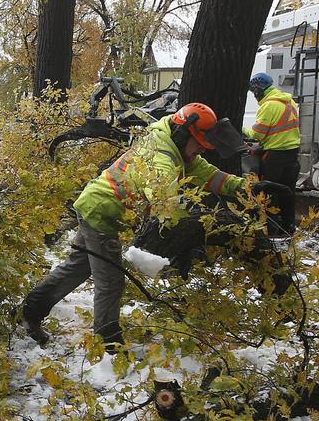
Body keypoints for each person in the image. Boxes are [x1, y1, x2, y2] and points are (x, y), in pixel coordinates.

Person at [18, 102, 287, 350]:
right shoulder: (160, 156)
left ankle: (28, 313)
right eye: (199, 145)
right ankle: (109, 345)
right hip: (104, 213)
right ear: (184, 135)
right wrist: (192, 230)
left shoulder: (178, 151)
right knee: (111, 281)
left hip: (99, 208)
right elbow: (164, 202)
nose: (201, 150)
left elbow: (211, 176)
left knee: (77, 268)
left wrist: (249, 187)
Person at [242, 73, 301, 192]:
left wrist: (242, 129)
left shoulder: (269, 105)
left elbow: (257, 134)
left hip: (275, 154)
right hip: (293, 152)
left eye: (254, 92)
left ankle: (267, 211)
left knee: (268, 190)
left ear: (259, 90)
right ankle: (286, 211)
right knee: (287, 191)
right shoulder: (289, 102)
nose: (254, 96)